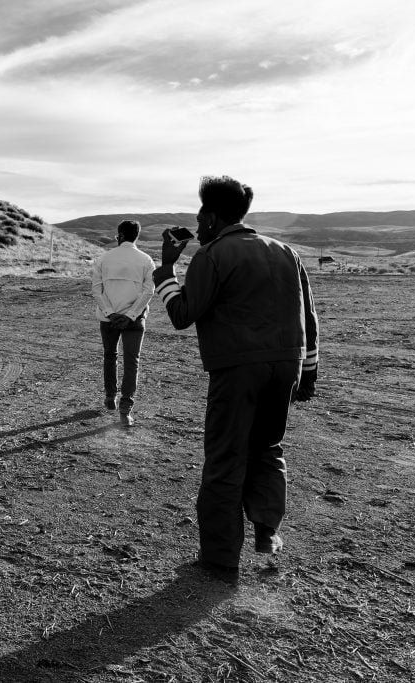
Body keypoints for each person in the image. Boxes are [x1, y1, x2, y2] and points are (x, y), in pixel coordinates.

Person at [153, 176, 319, 583]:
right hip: (288, 365)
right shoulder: (287, 252)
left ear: (210, 217)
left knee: (226, 457)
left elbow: (182, 315)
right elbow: (309, 318)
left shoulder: (212, 254)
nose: (197, 222)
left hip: (238, 368)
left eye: (199, 215)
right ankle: (266, 531)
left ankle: (220, 559)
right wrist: (308, 374)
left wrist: (167, 272)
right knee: (267, 446)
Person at [92, 220, 155, 427]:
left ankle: (110, 396)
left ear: (119, 235)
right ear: (137, 235)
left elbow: (97, 290)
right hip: (134, 321)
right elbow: (148, 292)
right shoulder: (146, 260)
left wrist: (110, 313)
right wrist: (131, 315)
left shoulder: (103, 259)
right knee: (132, 362)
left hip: (107, 319)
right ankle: (125, 410)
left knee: (110, 356)